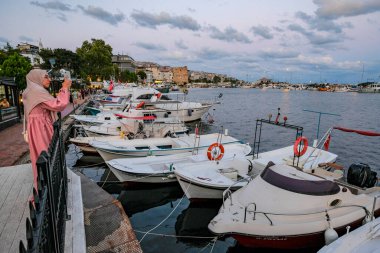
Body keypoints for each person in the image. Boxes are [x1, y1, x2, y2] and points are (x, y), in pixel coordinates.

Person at [22, 69, 72, 190]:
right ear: (37, 78)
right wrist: (65, 87)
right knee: (46, 156)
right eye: (46, 77)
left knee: (44, 156)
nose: (49, 79)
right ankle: (49, 189)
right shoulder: (36, 91)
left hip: (38, 126)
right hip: (41, 127)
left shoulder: (30, 91)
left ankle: (49, 186)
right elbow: (59, 104)